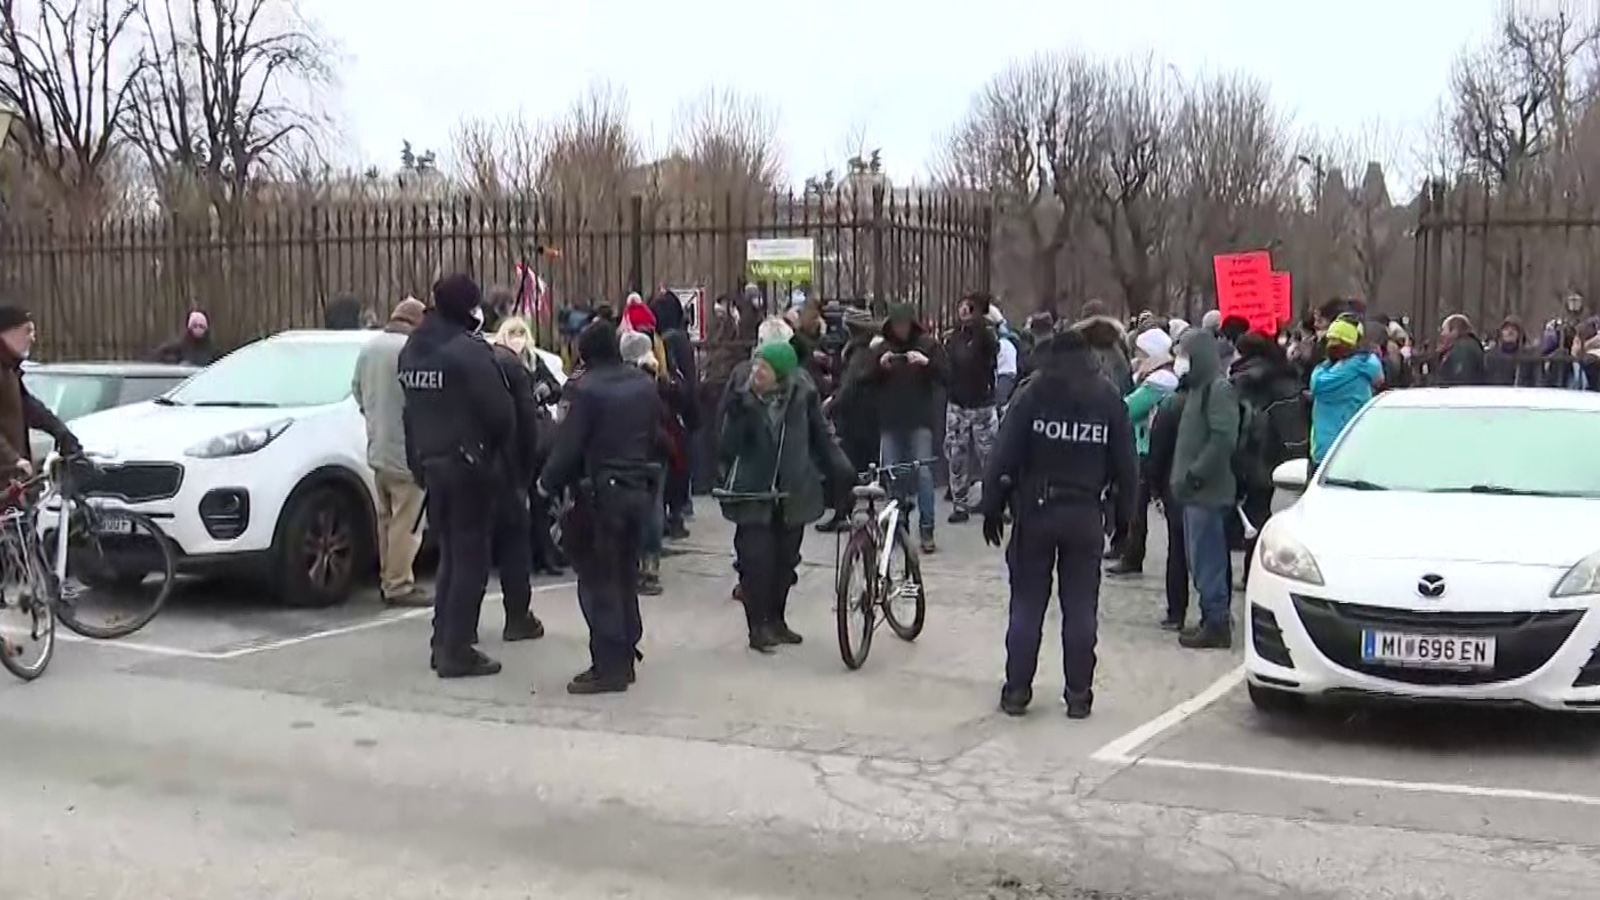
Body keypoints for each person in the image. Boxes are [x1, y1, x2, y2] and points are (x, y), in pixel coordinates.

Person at [980, 330, 1137, 720]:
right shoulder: (1106, 397)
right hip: (1085, 512)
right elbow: (1127, 464)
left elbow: (1004, 452)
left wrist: (991, 505)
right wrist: (1125, 518)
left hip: (1036, 510)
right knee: (1081, 608)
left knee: (1028, 605)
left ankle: (1017, 690)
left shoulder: (1033, 394)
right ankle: (1079, 695)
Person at [398, 274, 516, 679]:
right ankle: (457, 648)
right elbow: (501, 413)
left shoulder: (414, 348)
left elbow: (408, 412)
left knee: (450, 554)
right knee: (470, 559)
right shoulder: (467, 351)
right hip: (468, 466)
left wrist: (417, 460)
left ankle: (441, 639)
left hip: (430, 463)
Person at [538, 319, 664, 694]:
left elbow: (568, 446)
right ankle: (626, 647)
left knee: (597, 580)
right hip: (638, 489)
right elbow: (654, 435)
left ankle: (609, 664)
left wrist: (547, 484)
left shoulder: (586, 390)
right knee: (624, 573)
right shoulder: (643, 384)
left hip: (598, 495)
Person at [718, 340, 852, 651]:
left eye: (763, 367)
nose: (756, 372)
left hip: (794, 489)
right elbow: (727, 445)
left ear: (780, 371)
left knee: (785, 562)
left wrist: (842, 471)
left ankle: (777, 621)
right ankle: (757, 627)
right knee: (755, 563)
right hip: (754, 492)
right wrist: (742, 409)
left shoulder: (802, 394)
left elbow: (822, 437)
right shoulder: (743, 397)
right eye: (755, 365)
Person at [352, 297, 430, 607]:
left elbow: (357, 389)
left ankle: (388, 576)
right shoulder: (411, 351)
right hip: (407, 451)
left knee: (386, 518)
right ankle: (398, 583)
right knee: (407, 522)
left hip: (378, 447)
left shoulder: (370, 348)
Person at [1169, 329, 1241, 650]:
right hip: (1193, 492)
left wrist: (1196, 474)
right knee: (1199, 559)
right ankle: (1209, 616)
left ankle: (1216, 621)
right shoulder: (1197, 389)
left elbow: (1223, 438)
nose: (1179, 361)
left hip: (1207, 492)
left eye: (1185, 354)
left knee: (1208, 559)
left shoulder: (1218, 390)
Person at [485, 319, 549, 643]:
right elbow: (527, 426)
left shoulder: (472, 364)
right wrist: (524, 473)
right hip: (505, 472)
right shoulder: (512, 369)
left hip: (469, 467)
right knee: (513, 546)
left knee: (467, 551)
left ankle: (456, 628)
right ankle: (518, 617)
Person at [865, 303, 946, 553]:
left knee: (923, 473)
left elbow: (946, 375)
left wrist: (926, 363)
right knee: (893, 475)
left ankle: (927, 528)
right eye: (897, 325)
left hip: (919, 420)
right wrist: (880, 366)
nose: (901, 329)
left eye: (904, 325)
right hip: (891, 421)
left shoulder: (928, 345)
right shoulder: (881, 348)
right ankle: (897, 526)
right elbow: (865, 380)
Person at [1106, 326, 1178, 577]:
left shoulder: (1158, 382)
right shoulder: (1165, 378)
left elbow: (1129, 408)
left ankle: (1132, 555)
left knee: (1137, 506)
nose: (1137, 357)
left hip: (1146, 447)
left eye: (1140, 352)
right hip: (1153, 445)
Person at [0, 306, 81, 476]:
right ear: (6, 333)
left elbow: (28, 407)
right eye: (27, 331)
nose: (32, 338)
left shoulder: (9, 369)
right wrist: (12, 459)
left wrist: (61, 433)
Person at [942, 292, 1001, 524]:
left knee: (990, 455)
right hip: (958, 403)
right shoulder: (955, 336)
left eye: (970, 308)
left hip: (982, 404)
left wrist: (980, 323)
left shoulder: (987, 334)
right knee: (957, 455)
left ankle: (994, 500)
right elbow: (949, 363)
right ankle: (960, 503)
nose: (964, 313)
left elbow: (992, 351)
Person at [1308, 319, 1383, 473]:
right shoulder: (1364, 369)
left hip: (1326, 451)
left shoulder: (1325, 374)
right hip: (1355, 450)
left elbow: (1317, 383)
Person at [154, 310, 220, 366]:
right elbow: (157, 358)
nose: (198, 329)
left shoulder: (213, 350)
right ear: (190, 328)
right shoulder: (178, 347)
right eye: (195, 326)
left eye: (201, 326)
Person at [1434, 314, 1486, 386]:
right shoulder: (1466, 345)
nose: (1442, 333)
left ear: (1454, 330)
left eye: (1444, 330)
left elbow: (1459, 378)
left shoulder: (1464, 349)